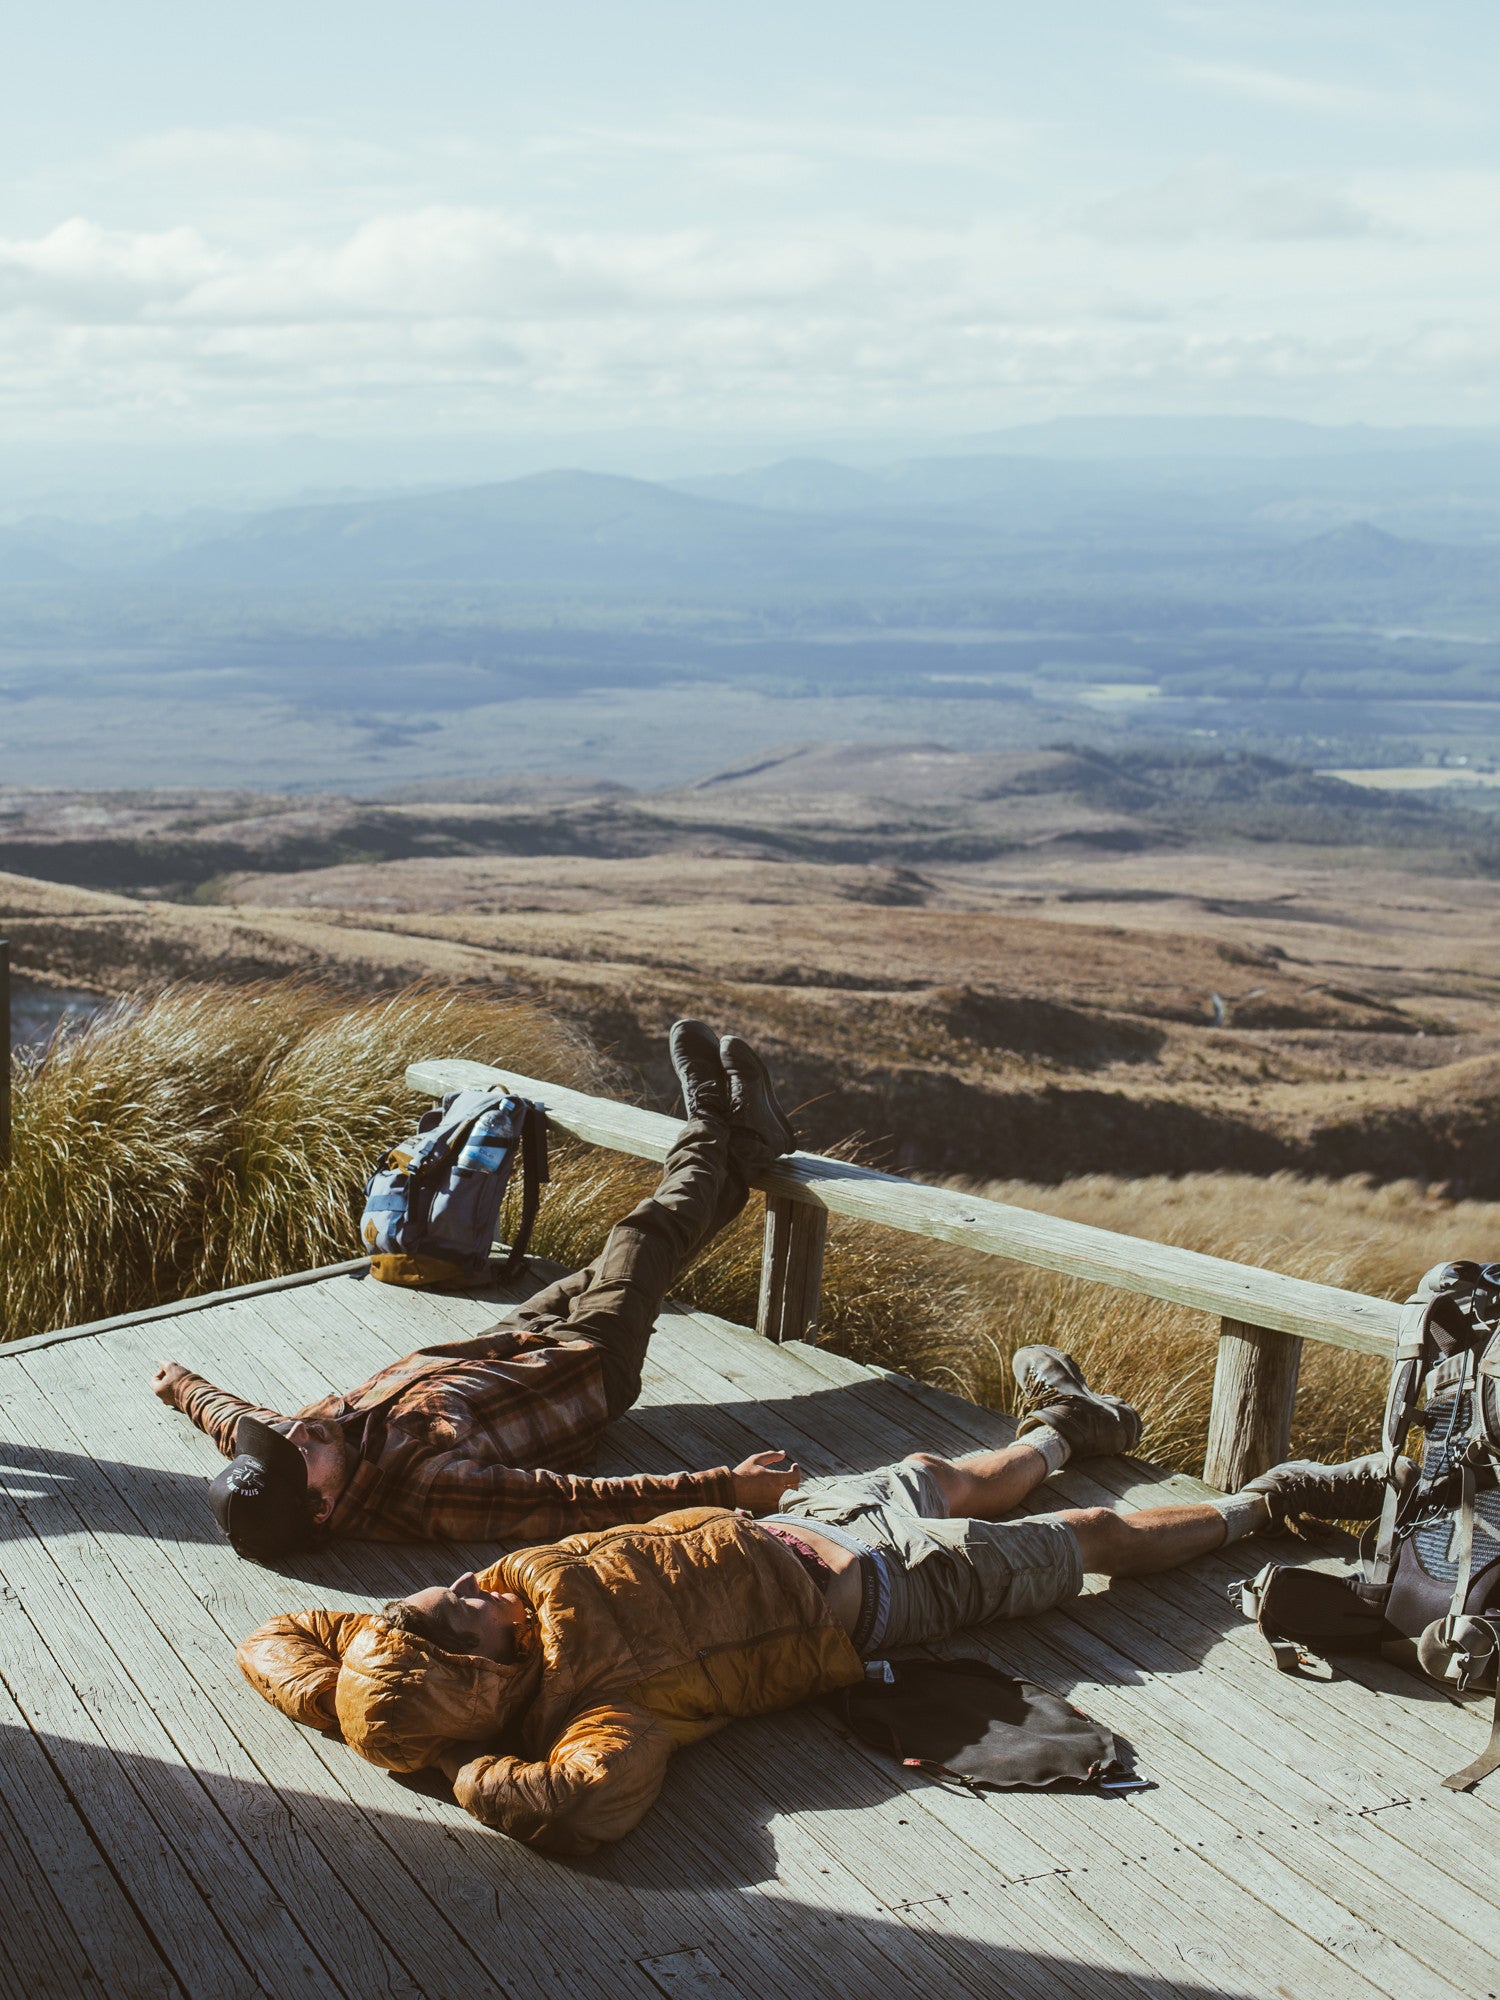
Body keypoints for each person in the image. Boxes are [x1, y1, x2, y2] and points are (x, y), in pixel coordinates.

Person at [237, 1350, 1378, 1854]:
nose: (469, 1585)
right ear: (476, 1678)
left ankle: (1068, 1425)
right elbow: (589, 1808)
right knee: (1087, 1541)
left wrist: (358, 1710)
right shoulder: (599, 1709)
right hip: (879, 1591)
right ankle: (1266, 1505)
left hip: (803, 1518)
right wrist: (456, 1769)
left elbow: (278, 1637)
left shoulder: (443, 1630)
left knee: (957, 1466)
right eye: (458, 1613)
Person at [153, 1021, 801, 1560]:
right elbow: (568, 1504)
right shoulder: (425, 1493)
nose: (294, 1431)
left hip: (509, 1342)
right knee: (642, 1237)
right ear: (322, 1510)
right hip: (585, 1371)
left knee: (641, 1250)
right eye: (293, 1453)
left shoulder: (308, 1445)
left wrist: (182, 1387)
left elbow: (240, 1425)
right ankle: (711, 1116)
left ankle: (746, 1148)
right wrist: (729, 1488)